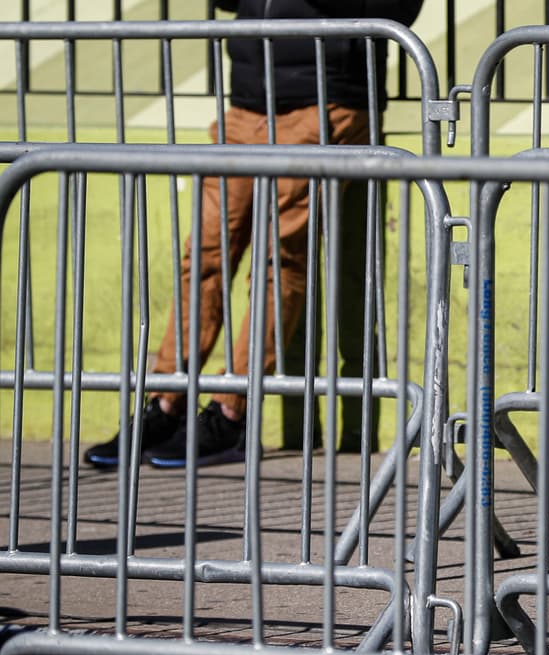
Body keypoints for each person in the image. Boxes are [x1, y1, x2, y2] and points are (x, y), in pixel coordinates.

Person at [84, 0, 423, 469]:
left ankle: (231, 413)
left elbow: (402, 7)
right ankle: (166, 403)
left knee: (278, 259)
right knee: (204, 254)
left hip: (326, 98)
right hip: (248, 99)